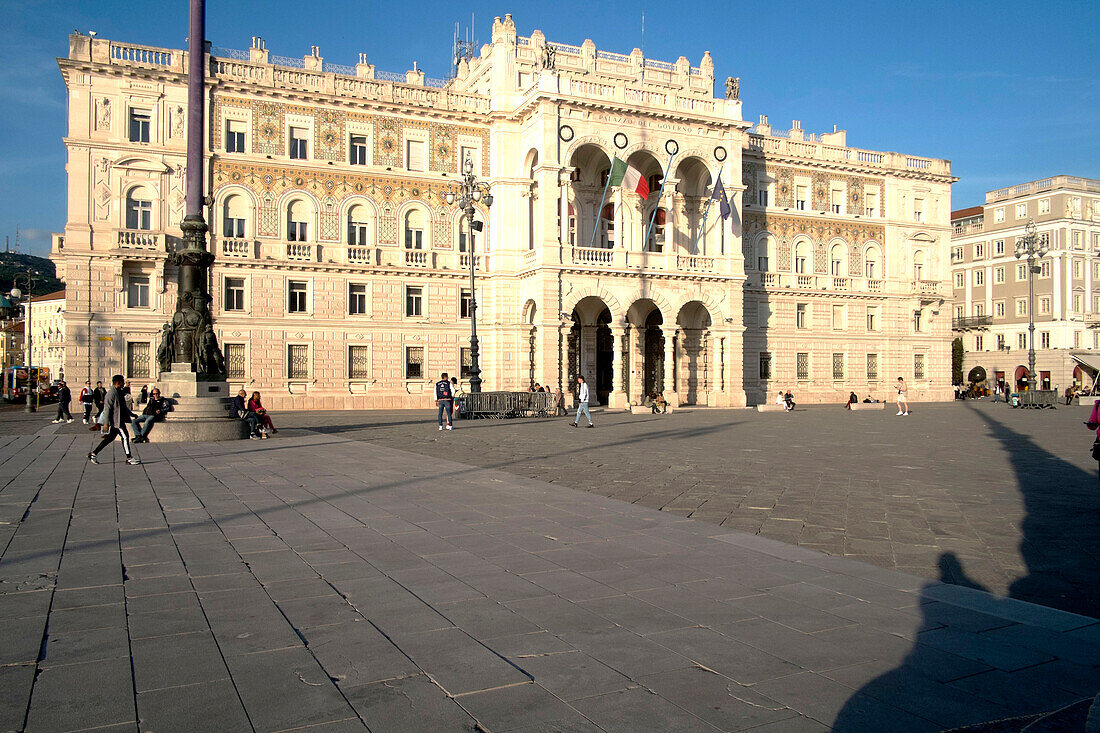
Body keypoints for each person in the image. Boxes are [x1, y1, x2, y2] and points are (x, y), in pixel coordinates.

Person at [88, 374, 140, 465]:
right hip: (116, 421)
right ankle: (129, 457)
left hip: (119, 419)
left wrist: (132, 414)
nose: (124, 383)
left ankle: (93, 454)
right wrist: (105, 423)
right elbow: (107, 409)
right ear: (118, 382)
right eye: (123, 382)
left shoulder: (119, 391)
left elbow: (123, 407)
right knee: (125, 437)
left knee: (109, 438)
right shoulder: (111, 394)